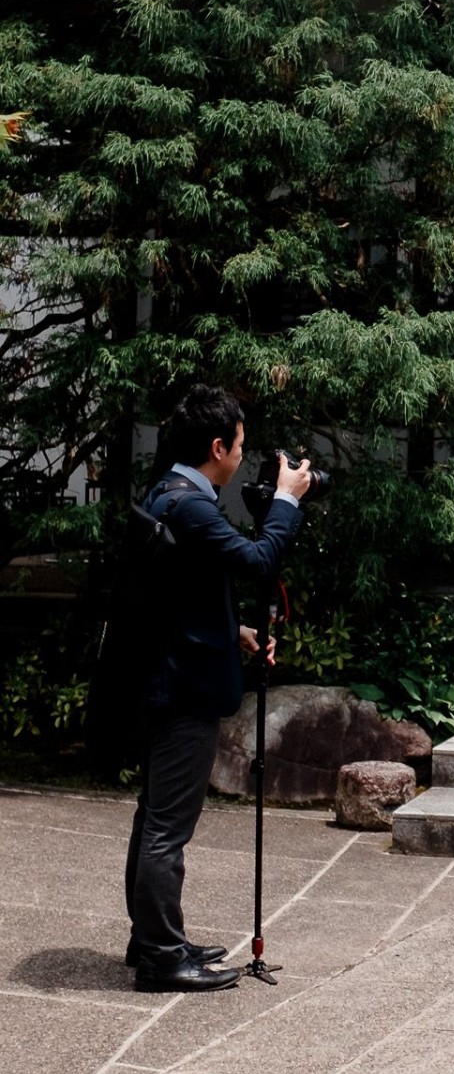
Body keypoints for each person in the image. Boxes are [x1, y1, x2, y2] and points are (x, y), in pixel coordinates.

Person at [124, 385, 309, 993]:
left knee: (155, 817)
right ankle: (159, 956)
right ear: (217, 447)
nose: (241, 454)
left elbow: (184, 593)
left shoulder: (169, 493)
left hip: (168, 677)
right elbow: (256, 561)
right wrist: (286, 501)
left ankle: (154, 939)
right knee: (166, 829)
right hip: (182, 692)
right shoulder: (193, 506)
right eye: (240, 444)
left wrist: (237, 631)